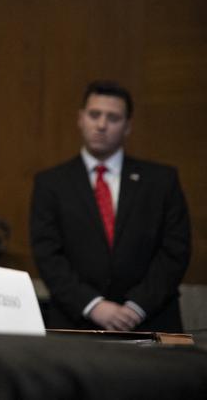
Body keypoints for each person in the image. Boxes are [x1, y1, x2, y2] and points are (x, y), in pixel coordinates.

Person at [30, 80, 190, 332]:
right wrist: (93, 305)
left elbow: (175, 251)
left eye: (113, 118)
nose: (101, 125)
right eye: (94, 115)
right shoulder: (51, 183)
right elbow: (48, 254)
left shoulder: (161, 180)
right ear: (80, 119)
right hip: (77, 323)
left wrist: (136, 307)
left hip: (151, 321)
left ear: (127, 127)